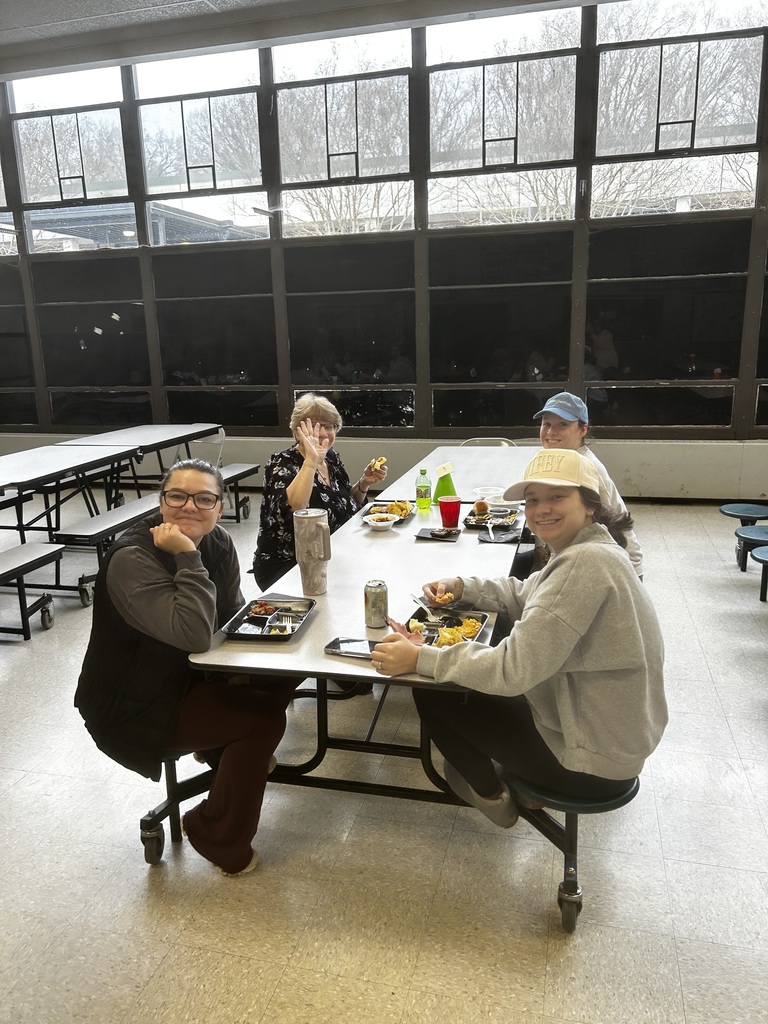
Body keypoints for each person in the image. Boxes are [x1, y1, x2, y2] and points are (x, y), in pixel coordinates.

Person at [371, 448, 667, 827]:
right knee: (472, 664)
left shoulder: (584, 564)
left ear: (590, 505)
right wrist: (461, 586)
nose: (541, 509)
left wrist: (420, 658)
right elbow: (523, 593)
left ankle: (495, 798)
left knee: (434, 689)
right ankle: (501, 779)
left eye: (557, 497)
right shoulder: (592, 549)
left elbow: (513, 671)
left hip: (590, 764)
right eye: (532, 500)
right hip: (613, 745)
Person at [75, 458, 298, 876]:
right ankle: (217, 837)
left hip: (187, 678)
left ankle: (219, 749)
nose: (189, 507)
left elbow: (229, 618)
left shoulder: (219, 541)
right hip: (136, 704)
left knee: (288, 666)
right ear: (161, 502)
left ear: (220, 504)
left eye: (204, 498)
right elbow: (194, 635)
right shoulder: (133, 558)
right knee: (262, 721)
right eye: (176, 496)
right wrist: (187, 557)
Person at [252, 393, 388, 590]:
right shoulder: (281, 464)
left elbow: (343, 505)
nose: (322, 433)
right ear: (298, 431)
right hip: (290, 566)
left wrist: (363, 484)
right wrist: (311, 461)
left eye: (329, 426)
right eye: (314, 426)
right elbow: (295, 509)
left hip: (334, 555)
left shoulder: (331, 458)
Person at [534, 391, 643, 577]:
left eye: (562, 425)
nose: (551, 432)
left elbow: (606, 528)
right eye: (547, 424)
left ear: (582, 430)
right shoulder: (565, 458)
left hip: (618, 568)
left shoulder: (585, 467)